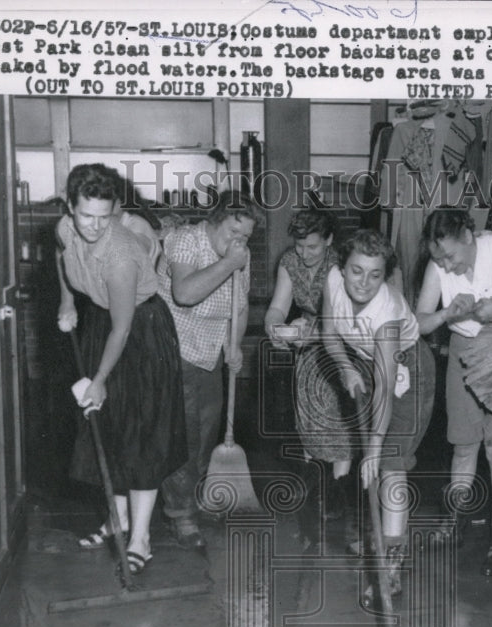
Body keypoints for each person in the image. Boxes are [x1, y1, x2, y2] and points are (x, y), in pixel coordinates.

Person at [55, 163, 187, 574]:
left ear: (115, 211)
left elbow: (124, 325)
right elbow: (62, 257)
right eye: (85, 215)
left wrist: (99, 379)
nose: (94, 226)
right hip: (100, 323)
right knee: (107, 430)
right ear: (70, 208)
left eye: (104, 216)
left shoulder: (121, 253)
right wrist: (67, 301)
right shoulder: (64, 227)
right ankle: (119, 520)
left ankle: (141, 539)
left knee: (141, 434)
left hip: (140, 334)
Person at [321, 229, 436, 605]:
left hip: (408, 373)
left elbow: (387, 388)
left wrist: (372, 448)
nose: (364, 282)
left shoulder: (385, 315)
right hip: (368, 367)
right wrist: (344, 367)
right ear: (342, 267)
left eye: (375, 274)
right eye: (357, 271)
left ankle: (391, 570)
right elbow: (328, 333)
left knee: (389, 466)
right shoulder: (333, 281)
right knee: (381, 463)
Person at [415, 208, 492, 575]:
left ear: (467, 236)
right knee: (463, 446)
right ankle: (455, 523)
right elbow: (419, 321)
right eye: (438, 257)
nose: (446, 264)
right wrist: (447, 316)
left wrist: (487, 310)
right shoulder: (438, 268)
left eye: (450, 255)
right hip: (462, 351)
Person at [158, 190, 261, 549]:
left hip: (210, 352)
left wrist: (234, 345)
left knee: (205, 432)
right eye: (234, 232)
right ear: (214, 222)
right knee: (183, 434)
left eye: (245, 236)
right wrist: (230, 263)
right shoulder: (185, 240)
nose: (239, 242)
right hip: (172, 350)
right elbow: (185, 292)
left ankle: (194, 498)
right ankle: (180, 514)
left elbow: (241, 305)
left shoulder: (239, 257)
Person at [263, 209, 357, 549]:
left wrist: (315, 331)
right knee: (309, 426)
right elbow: (277, 306)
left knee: (340, 427)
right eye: (300, 245)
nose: (305, 253)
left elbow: (350, 320)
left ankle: (339, 501)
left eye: (312, 246)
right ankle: (315, 499)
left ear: (329, 240)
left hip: (341, 350)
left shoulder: (344, 264)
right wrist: (275, 327)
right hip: (306, 352)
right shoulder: (289, 261)